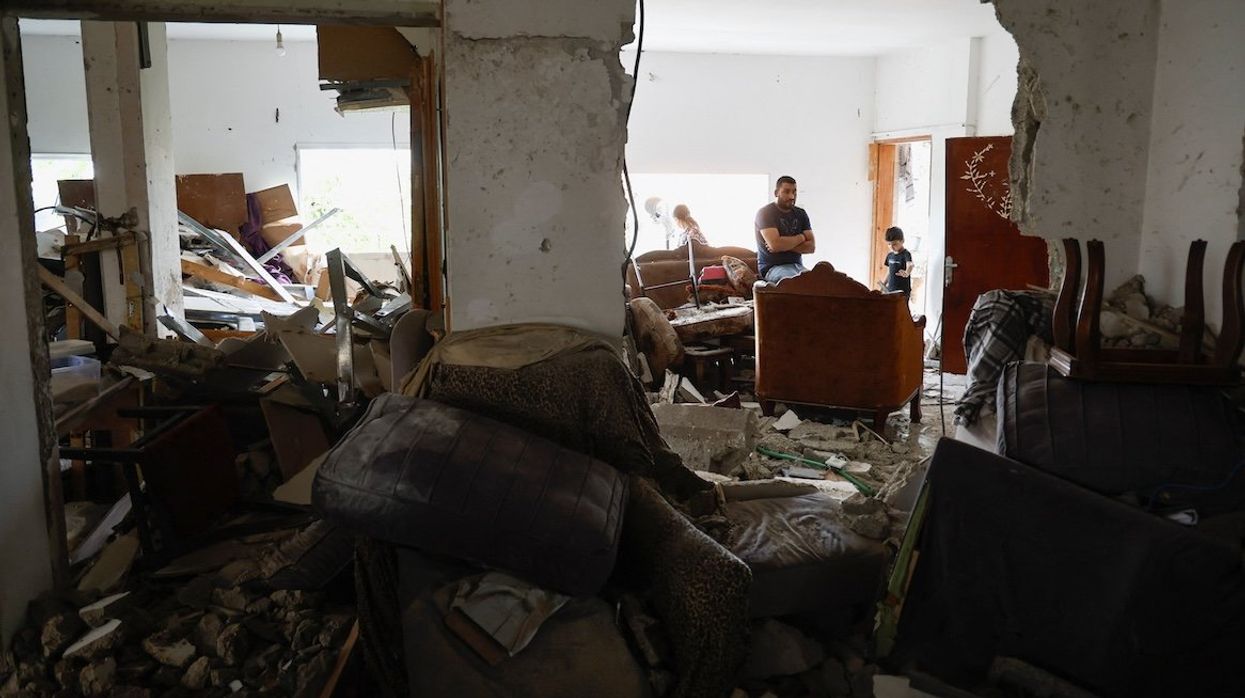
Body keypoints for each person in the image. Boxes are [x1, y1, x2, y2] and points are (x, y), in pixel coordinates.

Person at [755, 176, 815, 282]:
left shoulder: (801, 213)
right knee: (799, 283)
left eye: (794, 192)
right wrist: (801, 238)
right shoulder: (765, 213)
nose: (792, 196)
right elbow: (776, 244)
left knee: (819, 282)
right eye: (786, 192)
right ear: (776, 193)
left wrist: (782, 245)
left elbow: (811, 247)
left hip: (797, 266)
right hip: (772, 268)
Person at [882, 226, 914, 298]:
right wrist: (883, 285)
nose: (891, 247)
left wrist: (907, 273)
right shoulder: (890, 255)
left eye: (894, 244)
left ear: (902, 241)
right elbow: (889, 272)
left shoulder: (906, 254)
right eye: (889, 244)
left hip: (903, 292)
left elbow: (910, 265)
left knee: (901, 309)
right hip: (890, 290)